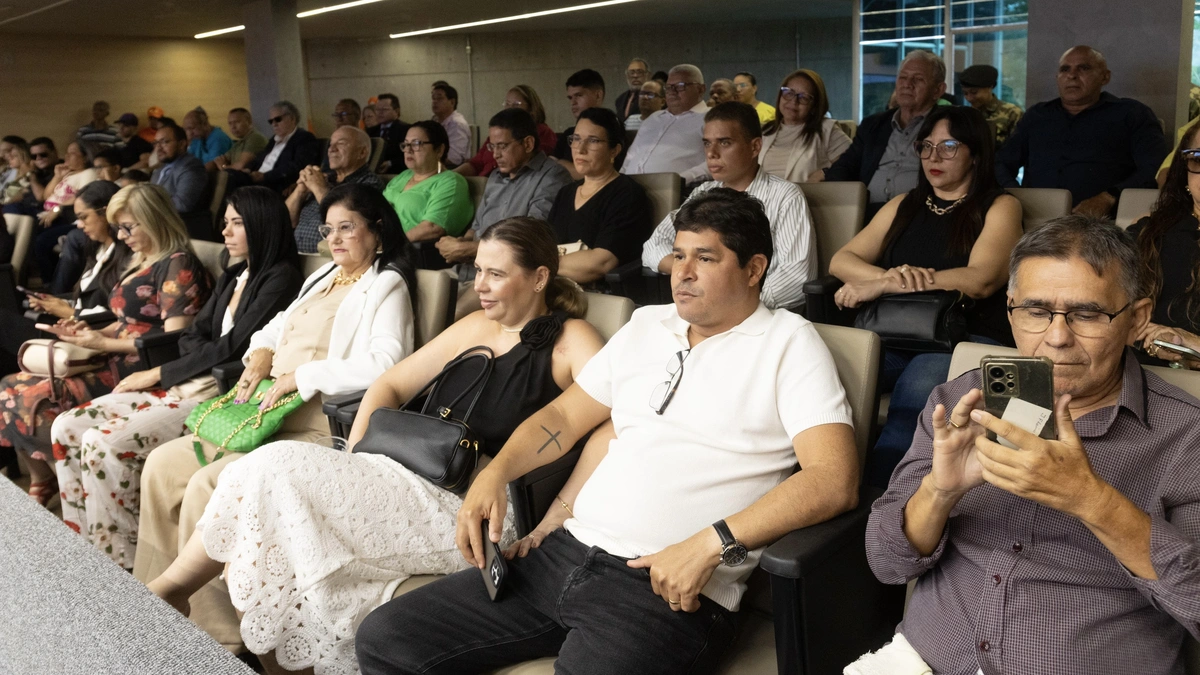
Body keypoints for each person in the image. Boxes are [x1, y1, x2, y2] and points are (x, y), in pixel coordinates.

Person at [355, 188, 860, 675]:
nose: (681, 274)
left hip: (666, 587)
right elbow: (562, 418)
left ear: (754, 269)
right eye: (678, 255)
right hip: (561, 555)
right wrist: (495, 477)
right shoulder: (647, 325)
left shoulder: (789, 344)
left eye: (705, 259)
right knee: (386, 637)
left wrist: (710, 544)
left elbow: (833, 478)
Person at [145, 216, 601, 673]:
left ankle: (174, 589)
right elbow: (389, 385)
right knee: (267, 491)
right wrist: (354, 458)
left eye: (496, 274)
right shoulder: (477, 326)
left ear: (540, 277)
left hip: (474, 506)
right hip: (402, 471)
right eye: (478, 270)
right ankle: (208, 612)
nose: (480, 284)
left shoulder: (572, 340)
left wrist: (559, 513)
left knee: (271, 468)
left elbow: (614, 425)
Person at [863, 215, 1200, 675]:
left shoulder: (1186, 435)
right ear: (1010, 309)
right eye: (1037, 312)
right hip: (926, 659)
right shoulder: (959, 400)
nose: (1057, 337)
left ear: (1136, 319)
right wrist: (938, 493)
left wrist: (1091, 500)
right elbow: (887, 563)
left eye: (1087, 314)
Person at [132, 183, 418, 654]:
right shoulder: (324, 274)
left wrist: (304, 375)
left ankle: (219, 636)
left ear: (378, 230)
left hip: (318, 424)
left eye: (348, 228)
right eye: (329, 229)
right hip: (264, 413)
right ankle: (155, 603)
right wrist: (262, 351)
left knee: (208, 484)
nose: (336, 239)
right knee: (163, 465)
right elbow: (275, 323)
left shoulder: (386, 283)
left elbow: (387, 363)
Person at [49, 186, 304, 570]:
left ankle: (120, 564)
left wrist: (158, 371)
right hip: (186, 379)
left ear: (262, 226)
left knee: (104, 444)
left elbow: (233, 350)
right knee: (66, 426)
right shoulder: (235, 272)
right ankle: (85, 542)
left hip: (217, 390)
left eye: (237, 223)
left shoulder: (280, 278)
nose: (225, 232)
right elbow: (193, 335)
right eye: (226, 222)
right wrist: (184, 361)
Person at [829, 106, 1023, 487]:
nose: (934, 157)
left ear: (976, 152)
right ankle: (826, 480)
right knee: (829, 374)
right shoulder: (905, 204)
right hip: (896, 331)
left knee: (916, 392)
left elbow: (981, 279)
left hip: (963, 336)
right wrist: (891, 277)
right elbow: (842, 260)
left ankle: (879, 501)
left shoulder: (1000, 205)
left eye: (949, 146)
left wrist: (884, 284)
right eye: (926, 146)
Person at [0, 183, 211, 506]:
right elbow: (126, 320)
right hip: (109, 357)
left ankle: (69, 481)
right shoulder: (143, 259)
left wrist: (102, 342)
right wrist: (88, 332)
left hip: (139, 368)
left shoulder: (178, 265)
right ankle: (58, 479)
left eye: (127, 227)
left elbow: (174, 340)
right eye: (119, 227)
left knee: (28, 396)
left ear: (153, 220)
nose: (122, 236)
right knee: (10, 386)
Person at [641, 102, 816, 310]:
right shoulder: (702, 193)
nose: (711, 153)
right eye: (707, 143)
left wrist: (735, 304)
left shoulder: (785, 196)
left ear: (755, 147)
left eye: (724, 143)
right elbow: (652, 247)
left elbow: (795, 276)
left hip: (759, 314)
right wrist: (695, 272)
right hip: (701, 306)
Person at [996, 45, 1168, 217]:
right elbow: (1001, 162)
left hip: (1108, 221)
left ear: (1105, 77)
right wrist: (1016, 197)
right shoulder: (1037, 116)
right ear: (1057, 78)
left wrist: (1110, 197)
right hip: (1036, 219)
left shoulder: (1131, 114)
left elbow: (1155, 167)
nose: (1072, 75)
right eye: (1065, 69)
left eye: (1083, 68)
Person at [434, 108, 573, 317]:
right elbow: (476, 227)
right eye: (492, 146)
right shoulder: (496, 177)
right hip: (467, 269)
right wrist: (460, 243)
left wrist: (468, 250)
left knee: (447, 315)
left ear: (527, 143)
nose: (494, 154)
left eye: (502, 146)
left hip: (504, 278)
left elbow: (529, 239)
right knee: (414, 300)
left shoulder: (552, 177)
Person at [0, 181, 131, 370]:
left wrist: (68, 312)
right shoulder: (98, 249)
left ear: (106, 214)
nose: (79, 224)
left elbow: (118, 316)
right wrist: (55, 305)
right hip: (67, 327)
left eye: (84, 217)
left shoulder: (128, 260)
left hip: (88, 337)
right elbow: (87, 300)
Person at [823, 50, 947, 219]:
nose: (907, 84)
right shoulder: (873, 125)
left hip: (920, 215)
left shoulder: (948, 126)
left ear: (938, 90)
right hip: (867, 214)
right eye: (903, 78)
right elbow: (844, 167)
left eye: (918, 79)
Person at [548, 107, 652, 285]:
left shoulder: (627, 194)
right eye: (576, 139)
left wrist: (541, 265)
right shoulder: (565, 193)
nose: (580, 149)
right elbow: (545, 247)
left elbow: (602, 262)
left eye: (593, 141)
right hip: (551, 287)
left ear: (614, 150)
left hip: (595, 296)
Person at [1129, 121, 1200, 365]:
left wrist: (1195, 346)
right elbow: (1098, 312)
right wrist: (1148, 340)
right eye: (1198, 159)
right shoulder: (1148, 232)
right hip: (1139, 375)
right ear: (1185, 171)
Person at [286, 125, 385, 253]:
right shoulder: (325, 179)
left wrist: (318, 188)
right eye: (330, 145)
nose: (331, 149)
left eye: (341, 143)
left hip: (331, 259)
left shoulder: (369, 182)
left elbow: (345, 218)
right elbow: (286, 221)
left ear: (362, 153)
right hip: (296, 255)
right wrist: (300, 190)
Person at [382, 120, 475, 242]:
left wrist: (390, 247)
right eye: (405, 144)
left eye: (416, 144)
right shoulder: (403, 176)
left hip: (413, 252)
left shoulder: (451, 182)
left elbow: (432, 228)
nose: (408, 150)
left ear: (439, 150)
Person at [759, 68, 852, 183]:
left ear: (814, 106)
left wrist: (825, 172)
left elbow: (855, 163)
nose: (793, 101)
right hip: (760, 199)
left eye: (804, 97)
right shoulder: (764, 130)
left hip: (807, 198)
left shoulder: (826, 129)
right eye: (789, 93)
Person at [622, 64, 710, 184]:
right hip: (629, 190)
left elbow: (718, 161)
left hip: (677, 192)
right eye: (668, 87)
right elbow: (630, 157)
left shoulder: (710, 119)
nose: (672, 92)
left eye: (680, 86)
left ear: (700, 89)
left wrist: (680, 180)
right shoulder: (653, 118)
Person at [455, 85, 558, 178]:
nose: (510, 108)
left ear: (531, 108)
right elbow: (475, 164)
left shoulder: (543, 132)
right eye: (507, 104)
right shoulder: (498, 134)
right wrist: (450, 176)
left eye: (516, 104)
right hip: (485, 185)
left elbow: (530, 166)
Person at [33, 142, 98, 285]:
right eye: (66, 152)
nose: (67, 156)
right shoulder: (68, 174)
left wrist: (57, 209)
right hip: (48, 213)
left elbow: (83, 196)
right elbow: (46, 196)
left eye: (73, 152)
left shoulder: (89, 173)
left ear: (85, 158)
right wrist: (57, 176)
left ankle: (48, 283)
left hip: (67, 217)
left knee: (41, 240)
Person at [230, 100, 322, 193]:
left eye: (278, 119)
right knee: (229, 175)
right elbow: (260, 158)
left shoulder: (304, 138)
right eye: (271, 121)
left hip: (276, 182)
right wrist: (248, 169)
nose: (274, 124)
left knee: (230, 179)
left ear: (292, 118)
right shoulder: (274, 140)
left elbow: (298, 165)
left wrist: (265, 176)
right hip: (258, 179)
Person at [150, 122, 208, 234]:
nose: (158, 148)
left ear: (181, 144)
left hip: (181, 228)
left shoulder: (191, 166)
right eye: (156, 143)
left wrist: (147, 205)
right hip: (160, 226)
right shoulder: (160, 170)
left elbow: (183, 204)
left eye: (165, 142)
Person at [552, 69, 606, 178]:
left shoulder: (613, 130)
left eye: (579, 95)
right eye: (570, 98)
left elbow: (603, 175)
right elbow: (551, 166)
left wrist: (563, 164)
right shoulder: (568, 133)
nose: (573, 102)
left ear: (598, 95)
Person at [958, 64, 1022, 147]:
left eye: (974, 92)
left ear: (990, 87)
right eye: (965, 93)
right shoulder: (966, 115)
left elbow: (1017, 149)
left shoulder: (1012, 113)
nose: (969, 98)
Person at [367, 93, 411, 173]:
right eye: (377, 109)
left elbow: (410, 154)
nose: (380, 113)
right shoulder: (370, 131)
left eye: (384, 109)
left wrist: (390, 163)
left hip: (397, 173)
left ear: (396, 111)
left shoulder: (406, 129)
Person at [431, 82, 470, 168]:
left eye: (439, 98)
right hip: (436, 166)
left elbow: (454, 159)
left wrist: (427, 160)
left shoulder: (457, 124)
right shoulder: (435, 120)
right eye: (433, 98)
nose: (435, 102)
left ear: (452, 102)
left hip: (452, 169)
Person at [615, 58, 650, 123]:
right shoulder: (620, 99)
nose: (635, 76)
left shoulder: (653, 97)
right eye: (632, 72)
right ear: (627, 76)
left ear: (647, 75)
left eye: (639, 72)